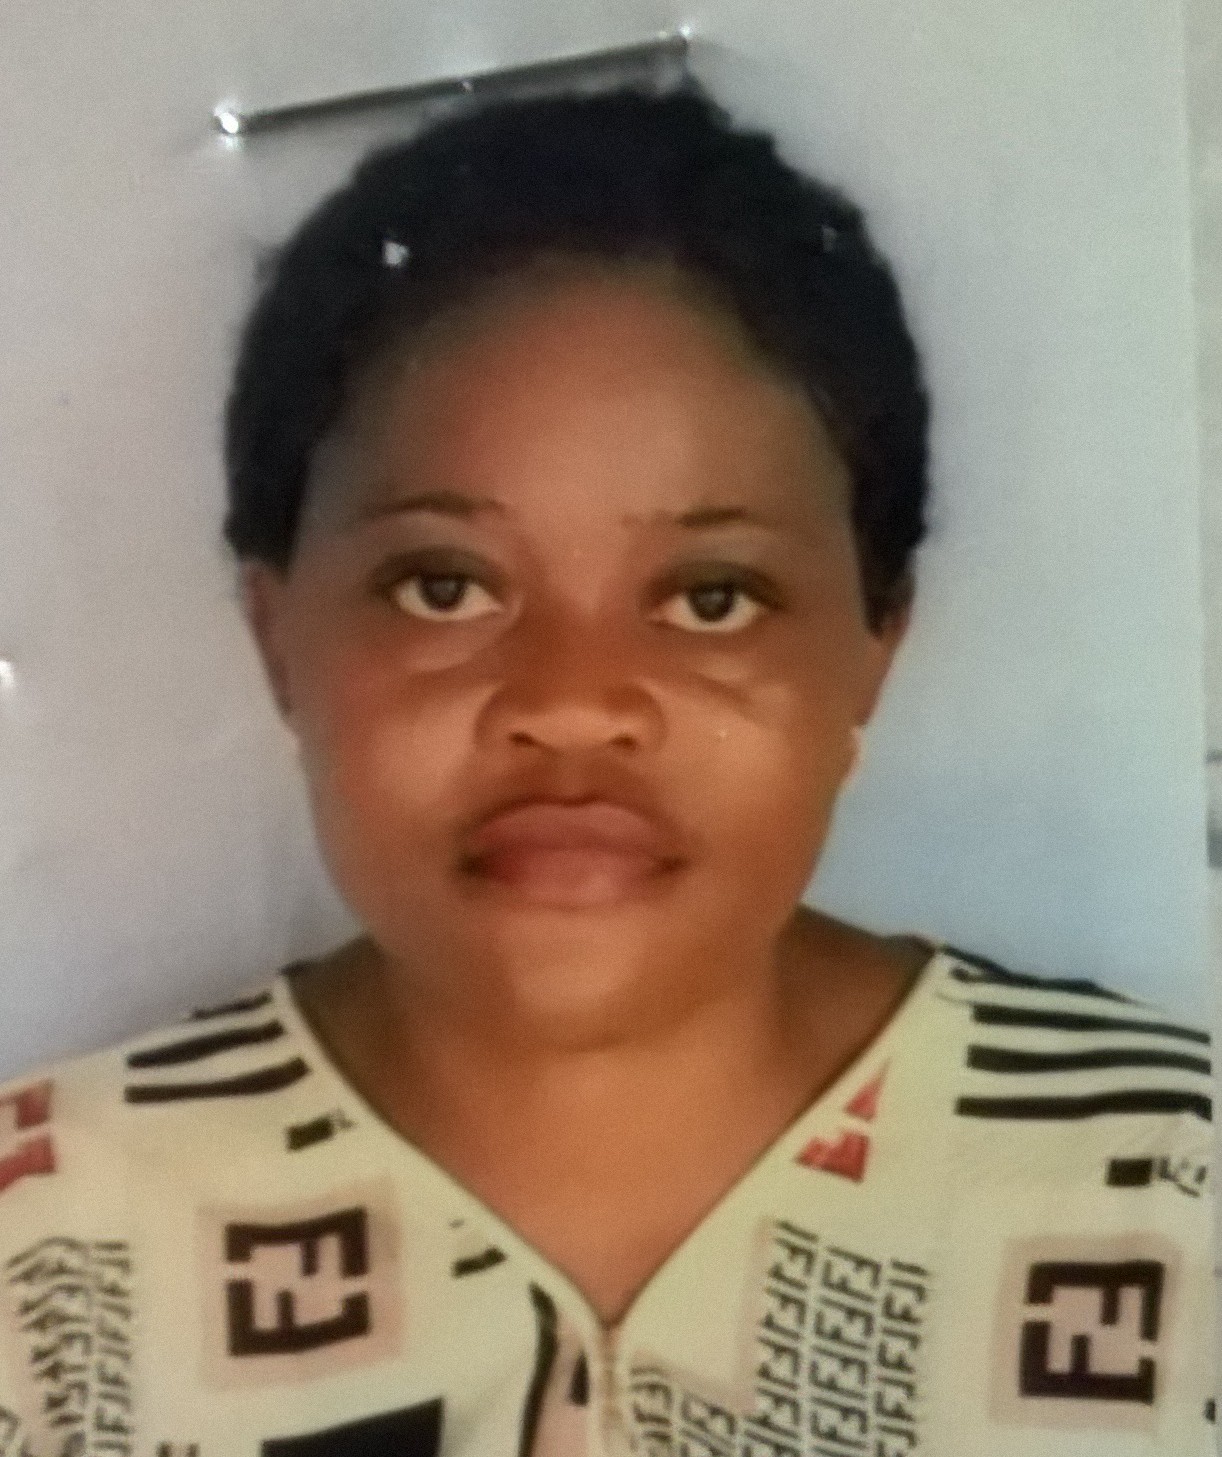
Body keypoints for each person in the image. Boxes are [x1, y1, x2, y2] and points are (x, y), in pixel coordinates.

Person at [0, 82, 1212, 1457]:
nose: (572, 706)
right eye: (444, 585)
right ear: (279, 636)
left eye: (711, 597)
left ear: (875, 645)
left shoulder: (1171, 1203)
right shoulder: (43, 1263)